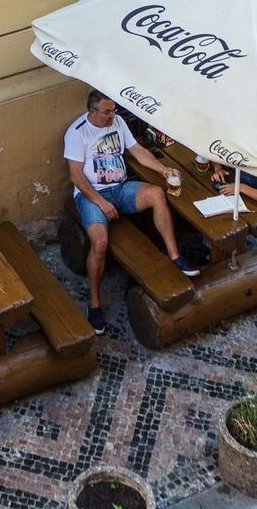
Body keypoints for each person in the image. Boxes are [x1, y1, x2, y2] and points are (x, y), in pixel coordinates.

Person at [65, 91, 202, 330]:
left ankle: (175, 256)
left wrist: (162, 170)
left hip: (120, 188)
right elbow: (76, 176)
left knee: (157, 194)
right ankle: (94, 303)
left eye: (113, 111)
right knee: (100, 244)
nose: (112, 116)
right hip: (92, 196)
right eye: (107, 112)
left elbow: (137, 150)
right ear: (92, 111)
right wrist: (101, 202)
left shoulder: (118, 122)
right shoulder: (77, 132)